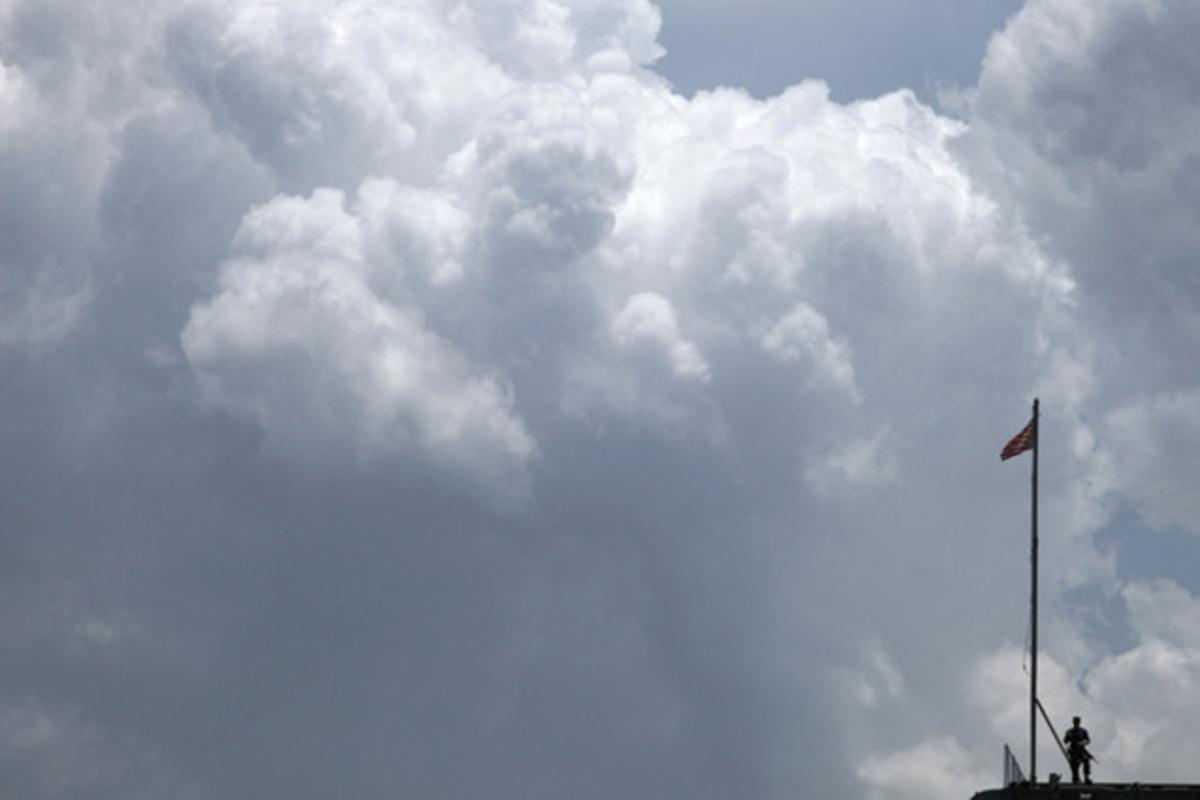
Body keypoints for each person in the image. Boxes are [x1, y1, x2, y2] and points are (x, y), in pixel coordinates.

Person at [1064, 716, 1093, 784]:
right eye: (1075, 721)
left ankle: (1086, 777)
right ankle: (1076, 778)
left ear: (1079, 722)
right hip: (1073, 750)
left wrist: (1082, 743)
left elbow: (1088, 740)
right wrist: (1069, 737)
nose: (1076, 722)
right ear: (1073, 722)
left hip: (1081, 750)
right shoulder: (1070, 731)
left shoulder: (1083, 731)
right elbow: (1065, 741)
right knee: (1074, 765)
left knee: (1086, 761)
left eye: (1077, 721)